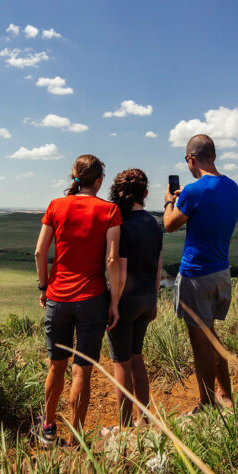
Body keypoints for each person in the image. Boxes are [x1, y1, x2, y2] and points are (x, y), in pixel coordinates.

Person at [33, 154, 123, 447]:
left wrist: (44, 287)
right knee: (81, 369)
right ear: (99, 181)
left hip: (58, 297)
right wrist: (114, 302)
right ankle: (74, 439)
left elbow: (39, 252)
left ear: (74, 178)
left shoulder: (56, 206)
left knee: (55, 365)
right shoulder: (109, 210)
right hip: (92, 299)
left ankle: (47, 428)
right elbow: (112, 259)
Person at [163, 134, 238, 410]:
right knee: (211, 334)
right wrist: (188, 196)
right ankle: (226, 395)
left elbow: (170, 225)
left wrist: (169, 201)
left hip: (196, 275)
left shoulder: (195, 191)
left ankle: (207, 403)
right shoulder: (232, 187)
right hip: (221, 272)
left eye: (187, 161)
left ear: (191, 159)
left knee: (200, 344)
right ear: (214, 156)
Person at [105, 169, 164, 430]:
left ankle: (125, 426)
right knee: (137, 357)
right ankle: (143, 418)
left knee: (121, 363)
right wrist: (155, 300)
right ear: (146, 193)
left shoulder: (121, 224)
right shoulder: (154, 223)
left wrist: (114, 304)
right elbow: (158, 266)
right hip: (147, 298)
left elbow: (120, 268)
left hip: (125, 301)